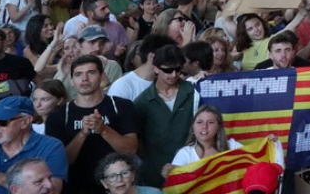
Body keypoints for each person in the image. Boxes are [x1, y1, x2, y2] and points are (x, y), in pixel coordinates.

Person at [42, 56, 138, 194]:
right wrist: (82, 134)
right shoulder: (58, 115)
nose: (84, 79)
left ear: (102, 76)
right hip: (76, 188)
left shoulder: (121, 106)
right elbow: (61, 162)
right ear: (71, 81)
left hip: (118, 187)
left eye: (91, 73)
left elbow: (131, 150)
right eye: (78, 74)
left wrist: (104, 130)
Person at [131, 46, 195, 187]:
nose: (173, 75)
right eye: (167, 70)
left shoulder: (193, 91)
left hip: (191, 168)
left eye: (178, 70)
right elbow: (137, 142)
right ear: (155, 68)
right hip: (155, 172)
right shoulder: (142, 102)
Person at [168, 106, 241, 170]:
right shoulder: (184, 154)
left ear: (218, 127)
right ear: (193, 127)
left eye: (210, 122)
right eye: (200, 122)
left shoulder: (233, 147)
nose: (204, 126)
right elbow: (174, 183)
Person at [93, 154, 158, 194]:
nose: (119, 180)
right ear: (104, 183)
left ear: (133, 175)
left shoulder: (154, 192)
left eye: (124, 173)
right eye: (112, 176)